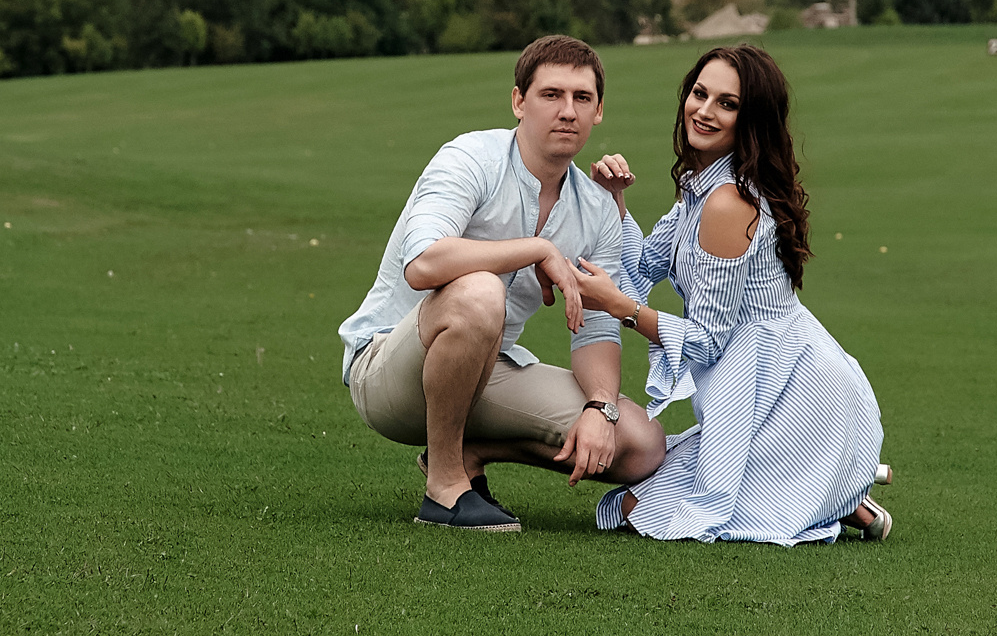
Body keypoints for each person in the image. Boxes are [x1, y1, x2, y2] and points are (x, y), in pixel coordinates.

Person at [338, 35, 668, 531]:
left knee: (641, 443)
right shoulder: (471, 157)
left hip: (482, 374)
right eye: (551, 94)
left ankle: (467, 452)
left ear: (598, 111)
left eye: (582, 98)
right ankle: (445, 489)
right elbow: (423, 263)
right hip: (388, 372)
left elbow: (597, 328)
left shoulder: (598, 207)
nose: (568, 111)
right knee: (479, 291)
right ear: (519, 101)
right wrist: (537, 248)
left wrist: (601, 407)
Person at [569, 44, 890, 544]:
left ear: (751, 119)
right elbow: (644, 263)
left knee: (640, 510)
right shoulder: (702, 182)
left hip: (793, 390)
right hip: (757, 382)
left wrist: (620, 308)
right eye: (699, 94)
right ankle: (839, 486)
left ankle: (834, 485)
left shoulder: (728, 203)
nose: (704, 110)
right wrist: (616, 202)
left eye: (727, 103)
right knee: (644, 490)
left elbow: (706, 341)